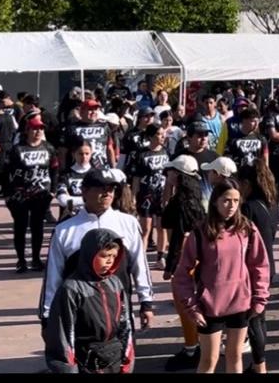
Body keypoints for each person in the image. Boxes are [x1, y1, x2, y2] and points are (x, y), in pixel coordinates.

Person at [39, 167, 155, 340]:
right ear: (84, 191)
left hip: (120, 313)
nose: (107, 193)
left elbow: (140, 265)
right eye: (101, 188)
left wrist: (146, 303)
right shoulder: (64, 230)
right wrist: (47, 318)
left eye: (111, 189)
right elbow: (53, 276)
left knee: (122, 362)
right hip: (80, 316)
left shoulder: (128, 223)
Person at [173, 179, 270, 374]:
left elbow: (260, 265)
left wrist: (260, 298)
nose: (231, 206)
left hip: (240, 303)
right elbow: (182, 274)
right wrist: (191, 307)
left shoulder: (247, 229)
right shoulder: (200, 233)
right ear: (215, 201)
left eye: (235, 201)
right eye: (226, 200)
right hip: (210, 306)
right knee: (209, 360)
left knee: (235, 358)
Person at [44, 229, 135, 373]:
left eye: (113, 256)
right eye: (104, 256)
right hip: (85, 360)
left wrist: (127, 360)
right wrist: (68, 368)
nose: (110, 260)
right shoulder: (71, 288)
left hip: (114, 358)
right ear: (90, 254)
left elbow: (125, 324)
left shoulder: (115, 284)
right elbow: (63, 334)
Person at [160, 156, 207, 371]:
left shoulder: (178, 203)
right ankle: (201, 345)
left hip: (184, 262)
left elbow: (178, 238)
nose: (166, 174)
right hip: (201, 259)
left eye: (170, 171)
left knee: (185, 306)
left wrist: (170, 267)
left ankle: (191, 349)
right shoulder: (201, 195)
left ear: (177, 175)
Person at [235, 162, 276, 373]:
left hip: (253, 271)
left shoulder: (248, 207)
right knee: (261, 318)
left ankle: (260, 365)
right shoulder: (269, 204)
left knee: (253, 321)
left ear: (246, 184)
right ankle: (258, 362)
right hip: (268, 266)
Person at [7, 115, 54, 272]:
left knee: (37, 226)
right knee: (20, 227)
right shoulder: (17, 149)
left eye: (41, 128)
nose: (38, 131)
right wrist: (8, 194)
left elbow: (54, 169)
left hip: (41, 194)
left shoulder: (48, 148)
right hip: (20, 195)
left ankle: (36, 258)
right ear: (27, 130)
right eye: (34, 128)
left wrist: (53, 189)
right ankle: (21, 260)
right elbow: (5, 172)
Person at [129, 123, 170, 269]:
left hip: (162, 194)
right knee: (146, 228)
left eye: (163, 134)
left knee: (161, 226)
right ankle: (141, 258)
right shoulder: (142, 154)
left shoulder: (166, 152)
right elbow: (136, 178)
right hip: (146, 194)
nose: (162, 137)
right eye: (159, 134)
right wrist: (133, 196)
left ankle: (160, 257)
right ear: (151, 137)